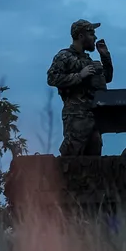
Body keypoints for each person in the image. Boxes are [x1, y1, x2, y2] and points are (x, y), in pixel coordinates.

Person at [46, 19, 113, 157]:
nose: (95, 37)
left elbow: (106, 78)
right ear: (81, 36)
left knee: (94, 157)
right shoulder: (64, 56)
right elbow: (52, 78)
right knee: (71, 155)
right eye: (91, 34)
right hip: (76, 117)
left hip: (93, 117)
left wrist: (105, 57)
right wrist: (79, 76)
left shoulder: (88, 60)